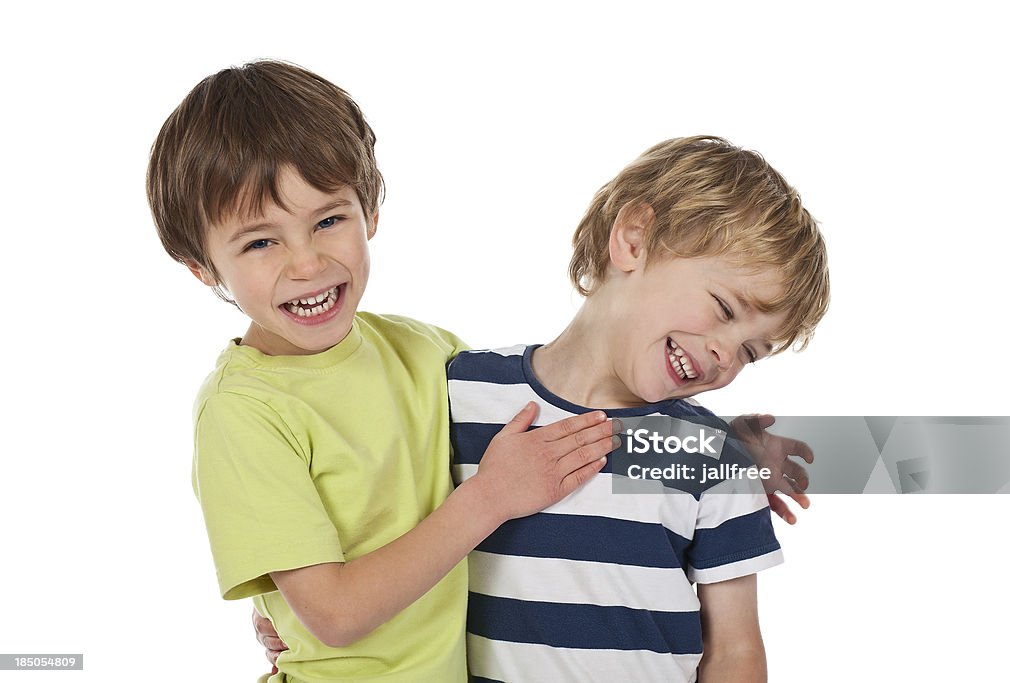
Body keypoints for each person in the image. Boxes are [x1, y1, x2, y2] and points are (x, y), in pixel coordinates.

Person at [147, 59, 619, 682]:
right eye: (260, 242)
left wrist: (744, 459)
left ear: (369, 210)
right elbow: (336, 615)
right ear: (203, 267)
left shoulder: (425, 352)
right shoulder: (244, 410)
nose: (308, 263)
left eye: (328, 220)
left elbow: (578, 425)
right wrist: (489, 499)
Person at [444, 136, 830, 682]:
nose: (725, 354)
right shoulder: (463, 393)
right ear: (633, 239)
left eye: (749, 352)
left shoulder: (710, 456)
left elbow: (736, 650)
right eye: (723, 307)